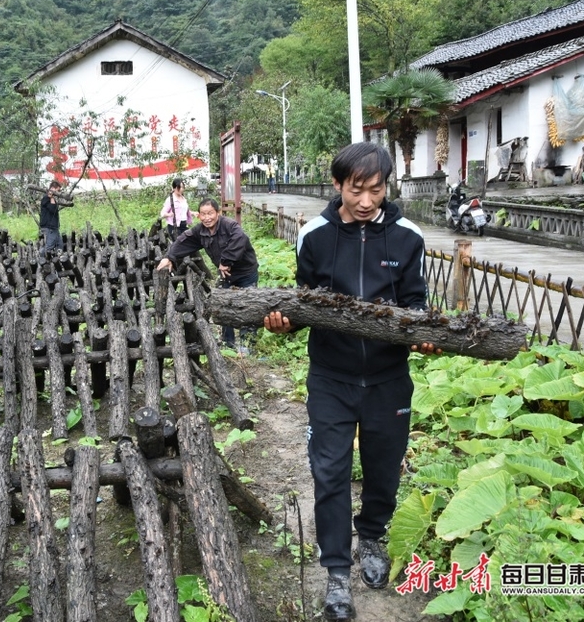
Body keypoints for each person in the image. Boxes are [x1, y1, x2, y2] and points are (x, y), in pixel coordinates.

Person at [263, 142, 438, 621]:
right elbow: (305, 301)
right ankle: (337, 571)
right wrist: (286, 320)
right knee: (330, 471)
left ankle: (374, 537)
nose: (366, 201)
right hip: (331, 377)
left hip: (388, 378)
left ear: (386, 187)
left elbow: (416, 301)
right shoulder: (315, 235)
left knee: (384, 465)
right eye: (356, 190)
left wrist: (423, 332)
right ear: (338, 185)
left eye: (375, 190)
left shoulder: (407, 237)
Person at [156, 197, 259, 354]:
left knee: (249, 307)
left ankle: (248, 347)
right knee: (224, 306)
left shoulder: (229, 225)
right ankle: (228, 343)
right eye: (203, 214)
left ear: (217, 213)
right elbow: (184, 240)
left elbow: (240, 240)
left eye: (210, 213)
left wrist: (226, 261)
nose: (207, 217)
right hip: (227, 276)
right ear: (199, 215)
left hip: (246, 273)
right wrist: (169, 256)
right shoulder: (200, 231)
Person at [40, 179, 64, 254]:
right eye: (58, 190)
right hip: (49, 228)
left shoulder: (51, 199)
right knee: (48, 248)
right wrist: (52, 197)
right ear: (53, 189)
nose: (58, 193)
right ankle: (41, 259)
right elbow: (53, 209)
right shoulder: (46, 198)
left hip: (54, 228)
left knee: (59, 246)